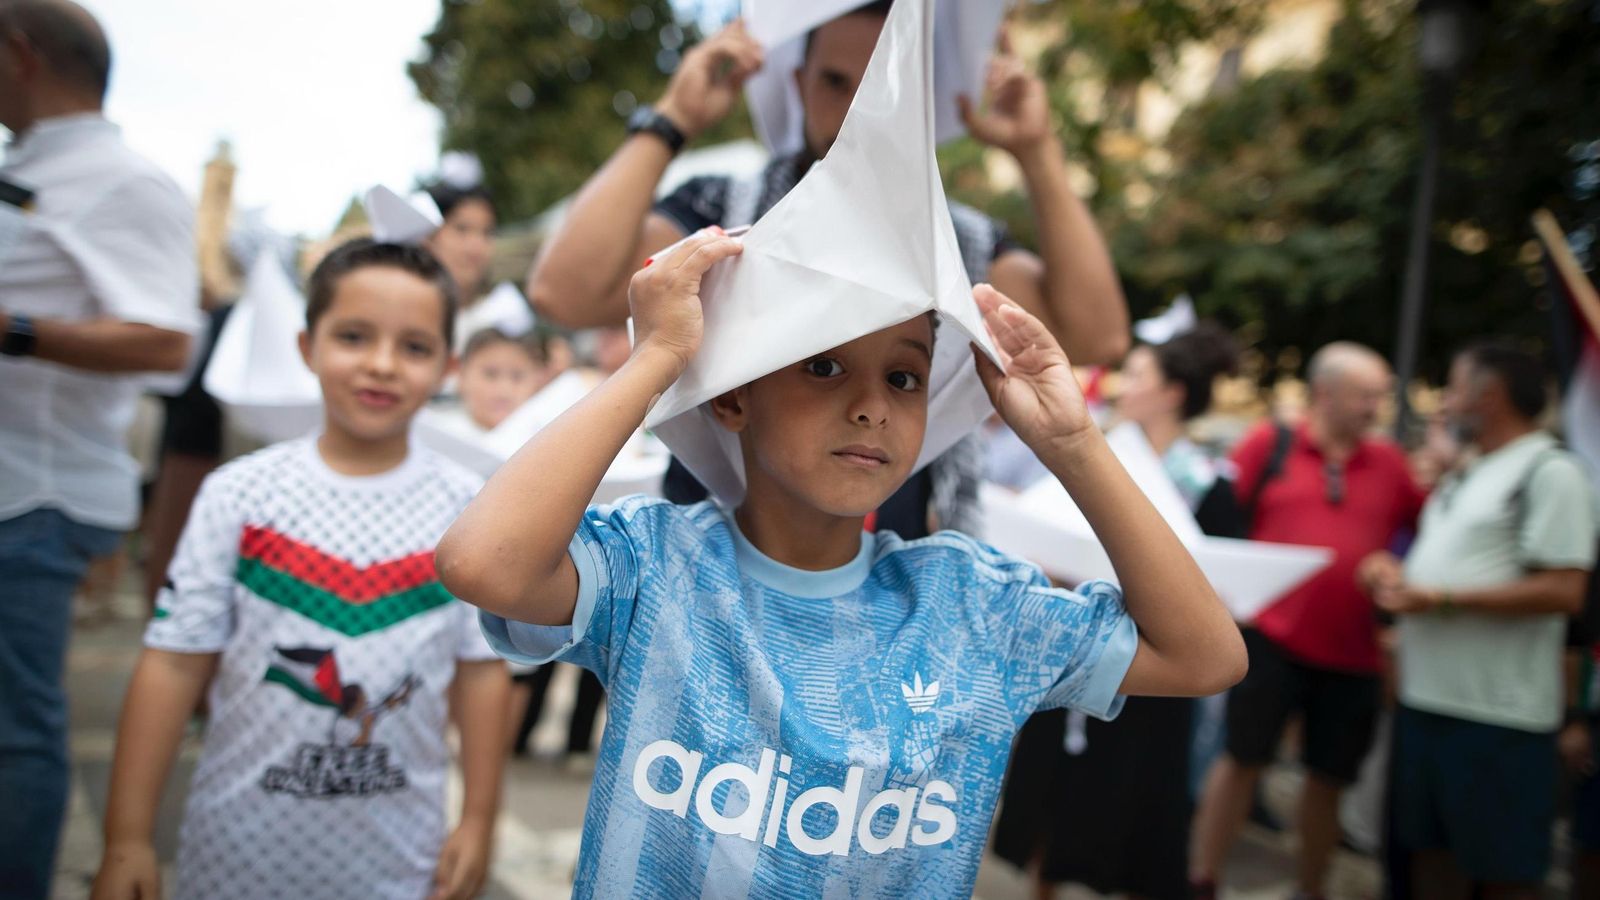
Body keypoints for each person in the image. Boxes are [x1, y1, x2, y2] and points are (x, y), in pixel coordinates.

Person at [435, 231, 1246, 896]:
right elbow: (483, 564)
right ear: (734, 394)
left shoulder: (972, 606)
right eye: (823, 364)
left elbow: (1205, 656)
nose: (871, 406)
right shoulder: (655, 567)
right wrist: (658, 358)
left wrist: (1072, 444)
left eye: (904, 376)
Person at [527, 1, 1130, 539]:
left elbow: (1096, 336)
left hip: (898, 592)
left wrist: (1037, 151)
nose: (854, 113)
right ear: (799, 84)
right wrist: (671, 119)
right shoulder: (724, 214)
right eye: (836, 83)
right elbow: (564, 292)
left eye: (880, 87)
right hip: (704, 571)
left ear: (923, 97)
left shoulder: (960, 243)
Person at [90, 240, 510, 900]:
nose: (381, 364)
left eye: (414, 347)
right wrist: (127, 838)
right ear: (307, 346)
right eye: (353, 336)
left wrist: (480, 819)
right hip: (234, 858)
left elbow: (482, 671)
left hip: (401, 864)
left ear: (447, 367)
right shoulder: (240, 494)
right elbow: (173, 662)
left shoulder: (472, 508)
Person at [0, 2, 200, 894]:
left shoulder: (124, 181)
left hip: (31, 497)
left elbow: (167, 340)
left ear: (20, 54)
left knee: (15, 733)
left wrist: (15, 331)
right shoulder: (31, 166)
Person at [994, 324, 1245, 900]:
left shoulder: (1209, 485)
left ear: (1172, 393)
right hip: (1078, 650)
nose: (1122, 386)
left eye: (1136, 375)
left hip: (1155, 677)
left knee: (1136, 810)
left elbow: (1223, 587)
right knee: (1052, 800)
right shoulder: (1095, 462)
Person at [1190, 342, 1426, 900]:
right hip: (1269, 640)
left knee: (1329, 779)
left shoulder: (1390, 462)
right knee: (1241, 760)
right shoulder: (1268, 444)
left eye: (1380, 396)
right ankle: (1201, 881)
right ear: (1324, 394)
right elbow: (1217, 521)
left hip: (1353, 651)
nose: (1375, 408)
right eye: (1364, 396)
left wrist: (1395, 567)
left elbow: (1423, 533)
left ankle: (1311, 889)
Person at [1362, 341, 1596, 898]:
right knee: (1430, 855)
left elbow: (1565, 589)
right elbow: (1457, 566)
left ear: (1488, 396)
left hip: (1497, 718)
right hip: (1428, 703)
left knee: (1502, 869)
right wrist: (1393, 574)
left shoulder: (1551, 471)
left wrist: (1440, 598)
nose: (1444, 402)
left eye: (1453, 387)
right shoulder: (1470, 470)